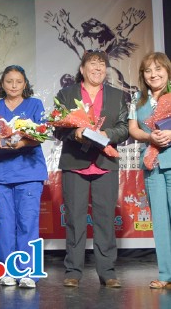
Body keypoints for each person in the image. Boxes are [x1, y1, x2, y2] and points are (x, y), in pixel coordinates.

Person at [53, 50, 129, 288]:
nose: (98, 68)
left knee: (105, 220)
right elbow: (57, 128)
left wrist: (108, 134)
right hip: (75, 163)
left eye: (102, 65)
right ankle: (73, 271)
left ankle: (107, 271)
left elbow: (125, 127)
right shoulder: (66, 94)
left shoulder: (118, 96)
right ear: (82, 69)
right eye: (92, 64)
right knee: (75, 219)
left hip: (105, 164)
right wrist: (74, 133)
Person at [0, 65, 48, 288]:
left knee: (27, 222)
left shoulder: (35, 104)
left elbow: (42, 134)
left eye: (18, 81)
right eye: (9, 81)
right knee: (5, 223)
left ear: (25, 84)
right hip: (0, 174)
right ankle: (7, 270)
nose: (13, 85)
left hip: (29, 173)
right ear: (2, 84)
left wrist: (22, 142)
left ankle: (29, 272)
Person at [127, 52, 171, 289]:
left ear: (167, 70)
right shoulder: (138, 99)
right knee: (160, 220)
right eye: (148, 70)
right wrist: (149, 136)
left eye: (158, 69)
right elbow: (133, 129)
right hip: (152, 163)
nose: (153, 74)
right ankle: (165, 274)